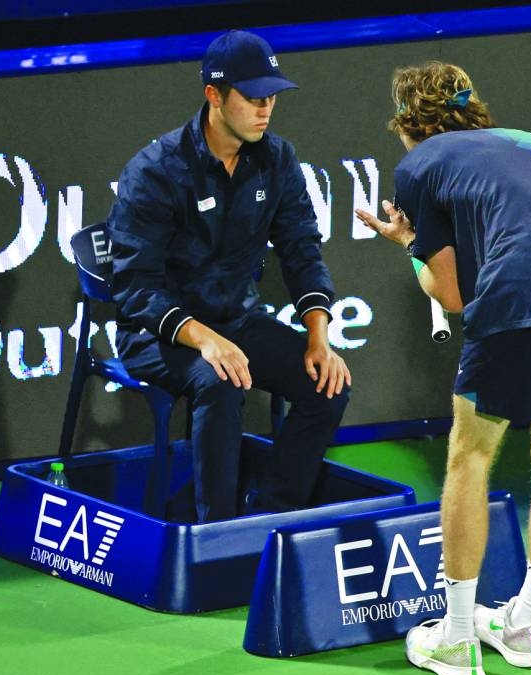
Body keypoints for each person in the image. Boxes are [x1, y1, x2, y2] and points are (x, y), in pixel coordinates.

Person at [356, 61, 531, 675]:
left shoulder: (419, 165)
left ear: (407, 123)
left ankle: (454, 639)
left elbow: (450, 294)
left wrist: (407, 248)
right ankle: (524, 624)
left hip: (522, 291)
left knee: (469, 456)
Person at [108, 30, 351, 523]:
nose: (266, 109)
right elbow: (135, 288)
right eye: (253, 97)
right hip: (159, 335)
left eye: (272, 98)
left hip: (237, 321)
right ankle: (217, 533)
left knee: (328, 385)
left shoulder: (277, 159)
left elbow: (301, 248)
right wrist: (203, 340)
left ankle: (271, 516)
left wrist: (319, 338)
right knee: (220, 381)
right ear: (214, 96)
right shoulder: (154, 172)